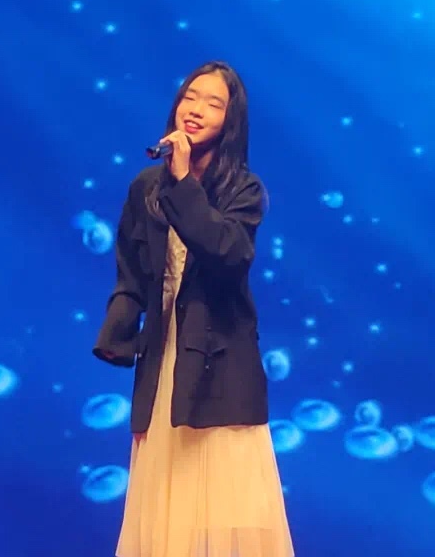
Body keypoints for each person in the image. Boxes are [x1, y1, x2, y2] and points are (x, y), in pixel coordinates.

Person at [92, 60, 295, 557]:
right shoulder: (145, 188)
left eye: (213, 103)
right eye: (190, 97)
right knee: (165, 512)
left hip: (221, 367)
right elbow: (131, 272)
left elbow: (228, 254)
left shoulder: (243, 190)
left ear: (230, 121)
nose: (197, 109)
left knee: (225, 511)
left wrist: (184, 182)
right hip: (163, 365)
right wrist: (117, 335)